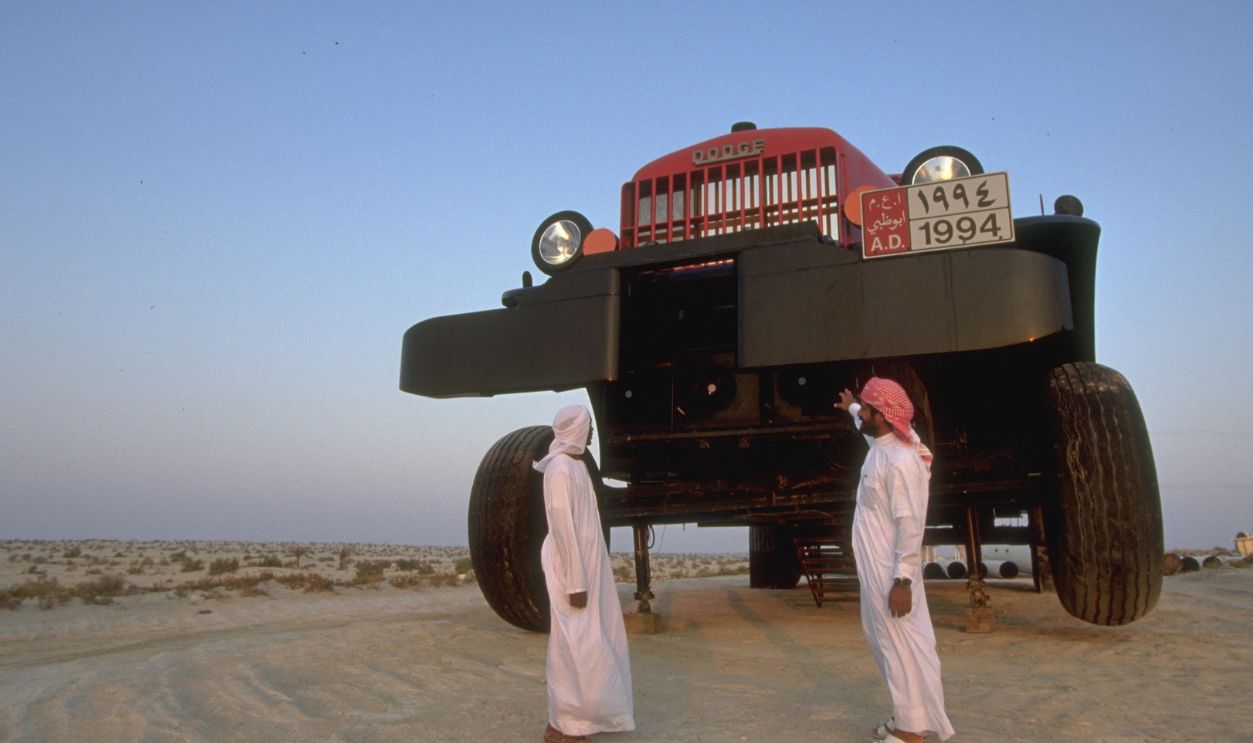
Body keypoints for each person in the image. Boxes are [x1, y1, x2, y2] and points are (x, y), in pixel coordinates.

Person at [836, 378, 954, 743]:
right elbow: (866, 428)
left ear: (883, 415)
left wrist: (902, 579)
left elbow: (911, 524)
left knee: (900, 644)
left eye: (868, 409)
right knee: (884, 641)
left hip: (892, 573)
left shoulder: (901, 461)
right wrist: (852, 406)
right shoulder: (881, 444)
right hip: (877, 570)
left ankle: (910, 732)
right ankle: (908, 716)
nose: (864, 415)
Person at [533, 404, 635, 743]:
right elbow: (562, 527)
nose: (592, 433)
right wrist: (576, 582)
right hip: (572, 572)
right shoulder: (560, 469)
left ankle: (570, 723)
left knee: (589, 642)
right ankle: (565, 726)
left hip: (589, 568)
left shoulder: (575, 467)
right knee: (575, 645)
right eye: (588, 427)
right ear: (575, 430)